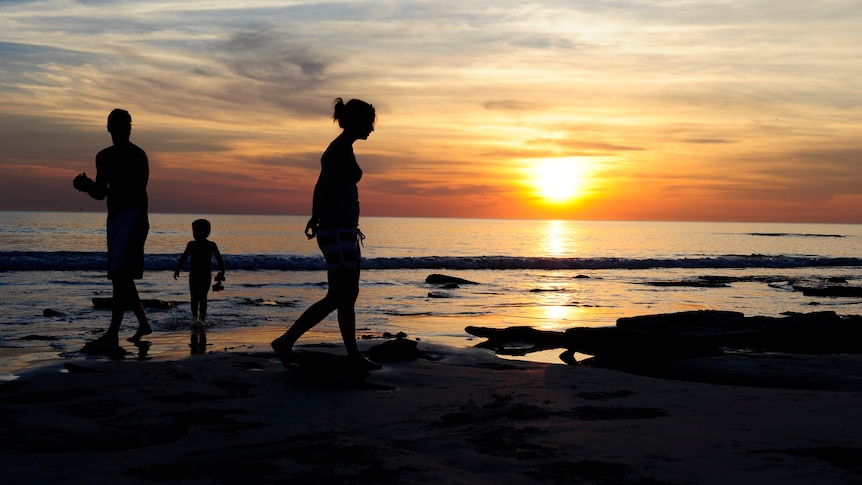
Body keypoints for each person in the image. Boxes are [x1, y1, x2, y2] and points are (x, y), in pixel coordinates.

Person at [272, 98, 380, 370]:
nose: (372, 129)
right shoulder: (339, 150)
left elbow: (320, 184)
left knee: (346, 294)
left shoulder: (342, 149)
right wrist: (318, 216)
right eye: (369, 123)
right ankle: (287, 341)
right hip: (338, 230)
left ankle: (351, 353)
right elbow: (326, 186)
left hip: (341, 229)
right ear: (356, 122)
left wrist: (314, 215)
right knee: (339, 295)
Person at [73, 108, 152, 354]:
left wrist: (97, 189)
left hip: (134, 217)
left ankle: (112, 334)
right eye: (116, 126)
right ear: (108, 128)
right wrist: (87, 187)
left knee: (120, 276)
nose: (121, 130)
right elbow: (101, 192)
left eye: (125, 125)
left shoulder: (138, 156)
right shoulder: (103, 157)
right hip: (116, 219)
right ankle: (143, 324)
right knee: (122, 275)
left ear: (131, 127)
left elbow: (132, 191)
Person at [174, 218, 226, 323]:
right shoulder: (191, 244)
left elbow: (219, 258)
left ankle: (202, 319)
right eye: (194, 231)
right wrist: (177, 269)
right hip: (193, 276)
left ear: (207, 232)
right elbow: (184, 257)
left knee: (202, 297)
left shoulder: (211, 245)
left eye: (197, 231)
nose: (195, 234)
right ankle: (194, 318)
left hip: (206, 276)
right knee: (194, 298)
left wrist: (222, 271)